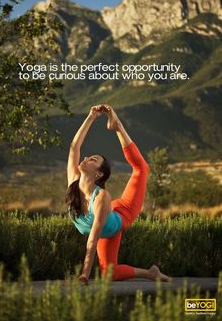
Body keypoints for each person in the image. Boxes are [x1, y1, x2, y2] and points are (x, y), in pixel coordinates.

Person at [66, 104, 172, 285]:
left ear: (98, 174)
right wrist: (91, 117)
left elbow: (92, 239)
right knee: (111, 274)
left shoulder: (101, 197)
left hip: (122, 213)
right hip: (107, 217)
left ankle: (118, 127)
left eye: (93, 159)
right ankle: (151, 273)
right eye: (88, 156)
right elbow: (75, 147)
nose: (85, 158)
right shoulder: (73, 184)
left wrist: (85, 274)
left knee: (142, 168)